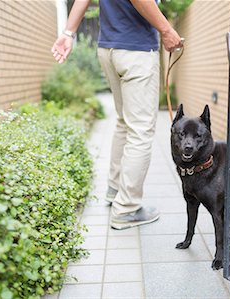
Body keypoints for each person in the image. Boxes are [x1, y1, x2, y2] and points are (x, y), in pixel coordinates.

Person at [51, 0, 183, 229]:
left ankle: (115, 191)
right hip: (135, 49)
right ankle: (127, 208)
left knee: (125, 122)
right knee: (140, 131)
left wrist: (69, 32)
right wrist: (166, 29)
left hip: (109, 48)